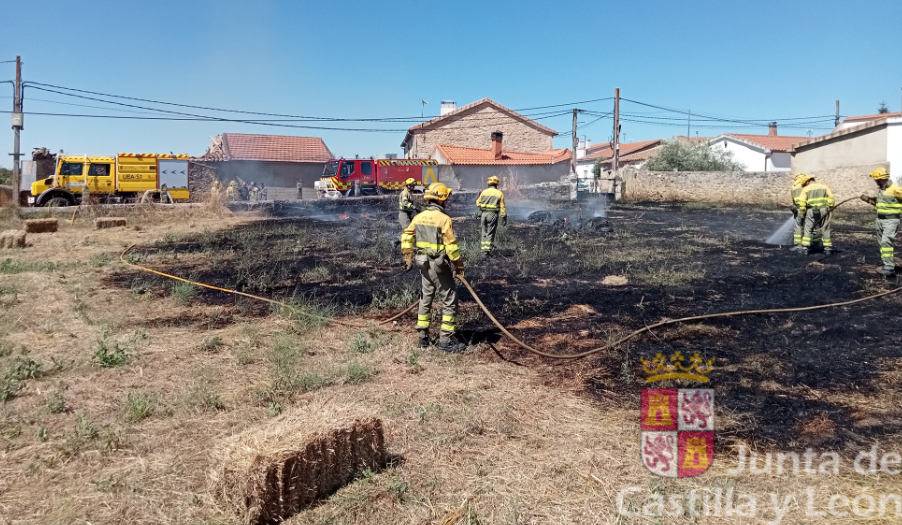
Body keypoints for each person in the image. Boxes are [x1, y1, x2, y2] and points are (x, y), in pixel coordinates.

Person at [401, 182, 466, 352]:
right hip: (439, 265)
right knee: (449, 299)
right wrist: (458, 266)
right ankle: (446, 341)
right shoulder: (444, 219)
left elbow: (406, 236)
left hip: (423, 263)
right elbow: (451, 246)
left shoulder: (419, 217)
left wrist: (408, 257)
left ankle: (423, 338)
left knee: (426, 298)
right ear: (442, 199)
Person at [861, 167, 902, 276]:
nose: (875, 181)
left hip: (891, 220)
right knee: (882, 244)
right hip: (880, 220)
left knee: (886, 242)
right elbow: (880, 204)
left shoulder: (895, 189)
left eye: (876, 179)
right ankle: (887, 264)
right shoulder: (882, 190)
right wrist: (868, 199)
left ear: (880, 179)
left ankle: (889, 268)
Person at [797, 175, 835, 255]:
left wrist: (802, 212)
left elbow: (802, 202)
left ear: (807, 181)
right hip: (824, 209)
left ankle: (805, 248)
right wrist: (831, 206)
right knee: (825, 228)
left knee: (808, 228)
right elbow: (831, 197)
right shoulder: (824, 187)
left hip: (811, 210)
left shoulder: (806, 189)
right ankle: (827, 249)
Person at [476, 175, 507, 253]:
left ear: (489, 183)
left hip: (483, 215)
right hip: (493, 215)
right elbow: (502, 207)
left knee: (484, 231)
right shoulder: (499, 193)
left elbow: (478, 203)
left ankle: (483, 249)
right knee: (490, 232)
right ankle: (487, 250)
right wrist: (504, 218)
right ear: (497, 184)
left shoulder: (484, 192)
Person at [790, 173, 807, 248]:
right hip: (807, 209)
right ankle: (810, 243)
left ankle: (798, 244)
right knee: (809, 227)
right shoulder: (806, 187)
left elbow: (795, 200)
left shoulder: (795, 187)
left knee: (798, 227)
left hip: (799, 209)